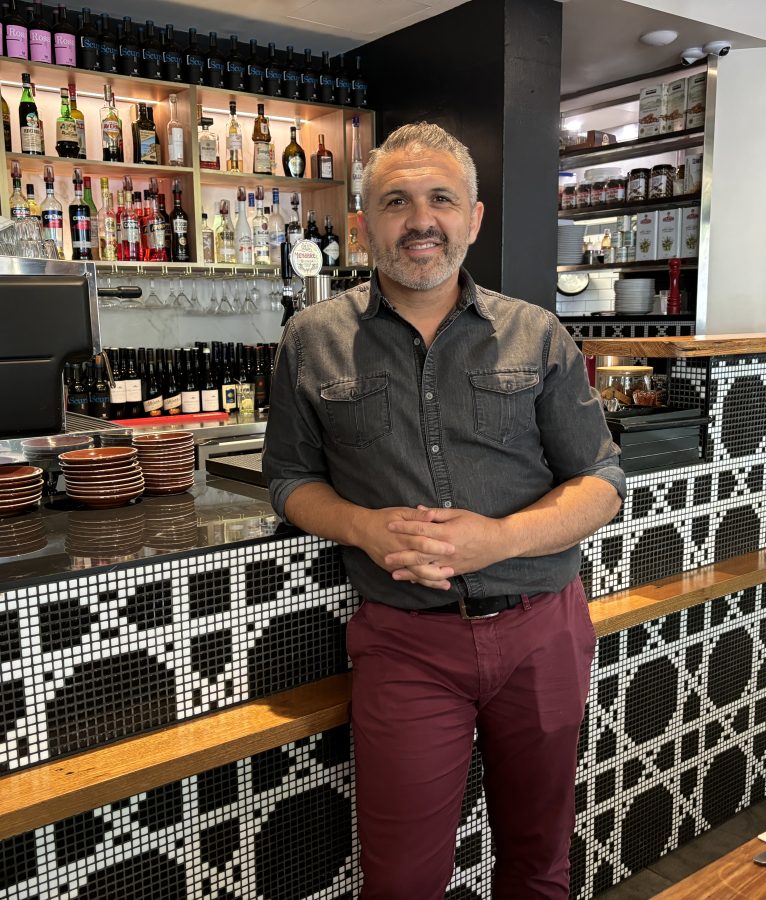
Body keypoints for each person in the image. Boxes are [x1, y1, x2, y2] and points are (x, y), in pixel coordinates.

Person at [262, 123, 625, 899]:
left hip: (542, 630)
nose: (419, 220)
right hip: (405, 644)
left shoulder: (539, 334)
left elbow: (600, 480)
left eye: (440, 199)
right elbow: (289, 480)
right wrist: (364, 526)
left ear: (475, 218)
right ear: (363, 224)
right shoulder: (310, 340)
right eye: (395, 201)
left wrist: (497, 539)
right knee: (400, 882)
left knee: (538, 862)